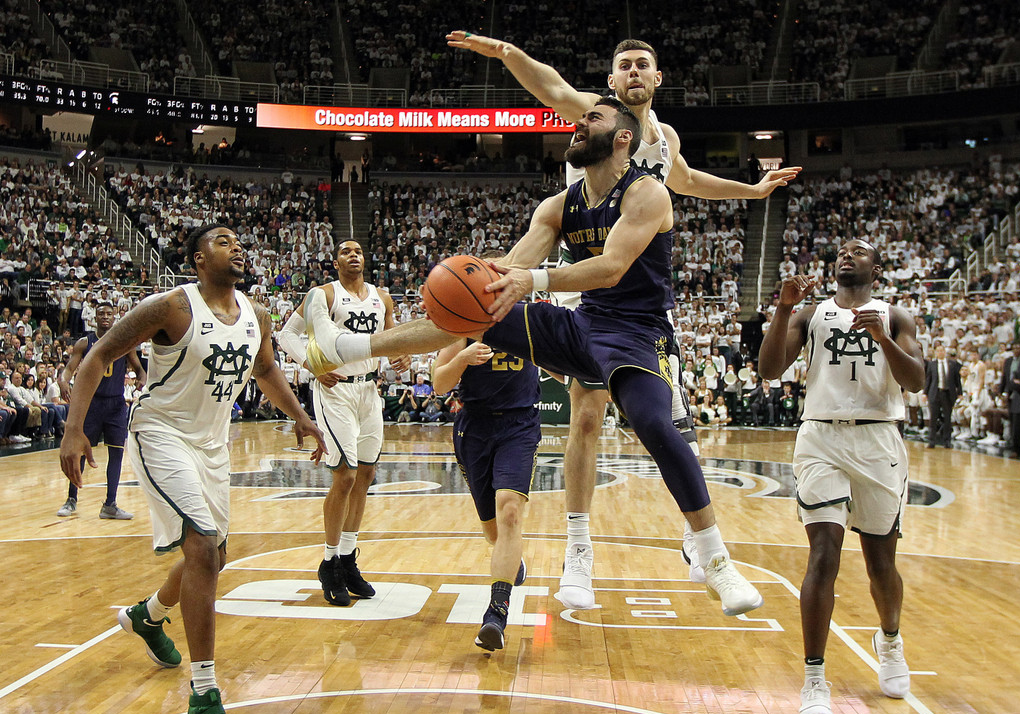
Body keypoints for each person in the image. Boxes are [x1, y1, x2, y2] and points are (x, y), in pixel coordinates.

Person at [304, 98, 763, 619]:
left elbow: (610, 268)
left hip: (636, 333)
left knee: (655, 423)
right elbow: (514, 267)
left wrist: (532, 280)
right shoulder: (557, 205)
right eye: (580, 116)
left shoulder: (647, 193)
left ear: (621, 139)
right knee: (476, 311)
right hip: (581, 325)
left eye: (593, 119)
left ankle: (715, 557)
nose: (578, 123)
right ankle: (348, 346)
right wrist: (478, 277)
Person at [446, 30, 801, 605]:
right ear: (611, 81)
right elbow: (549, 84)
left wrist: (753, 193)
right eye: (623, 66)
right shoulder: (596, 119)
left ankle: (699, 542)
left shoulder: (662, 139)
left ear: (657, 79)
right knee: (586, 419)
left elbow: (687, 182)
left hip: (639, 291)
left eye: (643, 65)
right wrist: (508, 52)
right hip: (578, 281)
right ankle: (579, 553)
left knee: (664, 422)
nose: (633, 72)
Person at [60, 224, 326, 714]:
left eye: (239, 238)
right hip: (161, 433)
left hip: (213, 445)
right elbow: (98, 356)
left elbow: (267, 368)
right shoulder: (170, 307)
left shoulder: (258, 315)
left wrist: (299, 415)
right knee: (202, 546)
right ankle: (203, 700)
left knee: (215, 556)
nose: (238, 245)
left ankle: (148, 616)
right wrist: (73, 429)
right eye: (225, 239)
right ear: (199, 259)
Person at [757, 238, 926, 714]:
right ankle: (814, 680)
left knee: (880, 567)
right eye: (843, 251)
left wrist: (885, 341)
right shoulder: (810, 313)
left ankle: (890, 639)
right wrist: (782, 309)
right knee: (823, 553)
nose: (847, 255)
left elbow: (916, 382)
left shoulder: (896, 315)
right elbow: (770, 369)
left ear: (877, 267)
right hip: (821, 436)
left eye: (859, 251)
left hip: (879, 440)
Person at [277, 239, 403, 607]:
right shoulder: (323, 295)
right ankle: (329, 562)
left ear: (365, 259)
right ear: (335, 262)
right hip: (335, 391)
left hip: (368, 390)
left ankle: (348, 558)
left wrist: (401, 358)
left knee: (365, 475)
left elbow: (392, 338)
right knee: (345, 476)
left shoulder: (383, 298)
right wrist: (311, 363)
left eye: (359, 251)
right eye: (346, 252)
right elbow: (287, 335)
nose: (353, 255)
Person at [432, 336, 537, 650]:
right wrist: (463, 358)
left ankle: (496, 613)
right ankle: (511, 561)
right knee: (493, 532)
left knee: (510, 511)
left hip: (520, 423)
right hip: (474, 427)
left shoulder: (529, 319)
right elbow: (439, 382)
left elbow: (561, 365)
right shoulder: (464, 323)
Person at [56, 301, 145, 519]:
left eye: (109, 313)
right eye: (101, 314)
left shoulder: (125, 342)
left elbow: (140, 369)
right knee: (80, 452)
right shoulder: (85, 342)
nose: (105, 317)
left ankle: (110, 504)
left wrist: (142, 379)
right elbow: (68, 369)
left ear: (115, 316)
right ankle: (71, 499)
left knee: (116, 453)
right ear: (94, 318)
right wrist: (63, 381)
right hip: (91, 403)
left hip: (115, 404)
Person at [924, 343, 961, 448]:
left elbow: (957, 380)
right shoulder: (932, 364)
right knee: (933, 418)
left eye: (942, 350)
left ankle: (947, 440)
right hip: (935, 393)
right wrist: (925, 393)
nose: (940, 352)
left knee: (947, 418)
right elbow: (928, 380)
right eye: (938, 351)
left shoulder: (952, 364)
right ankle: (931, 440)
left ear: (945, 352)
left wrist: (960, 393)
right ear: (936, 353)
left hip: (948, 393)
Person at [1000, 341, 1020, 456]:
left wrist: (1019, 384)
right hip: (1014, 396)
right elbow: (1008, 380)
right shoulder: (1008, 362)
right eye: (1014, 348)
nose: (1016, 350)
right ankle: (1015, 447)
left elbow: (1018, 383)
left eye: (1018, 347)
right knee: (1015, 423)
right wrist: (1002, 392)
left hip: (1018, 394)